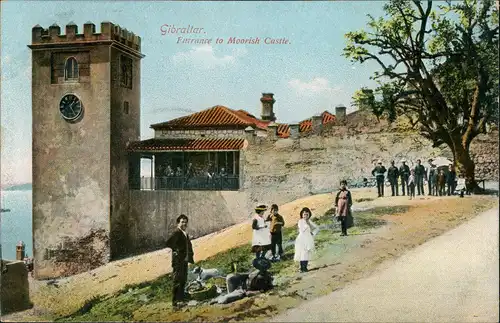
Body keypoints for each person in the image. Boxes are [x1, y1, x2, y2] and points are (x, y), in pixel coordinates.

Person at [165, 214, 194, 309]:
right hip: (178, 261)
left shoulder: (184, 233)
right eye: (182, 222)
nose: (184, 224)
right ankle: (175, 302)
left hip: (184, 261)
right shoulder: (177, 232)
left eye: (185, 222)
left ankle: (181, 300)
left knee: (183, 280)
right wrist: (176, 250)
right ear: (178, 223)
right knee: (177, 280)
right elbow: (168, 242)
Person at [294, 207, 318, 273]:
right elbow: (301, 229)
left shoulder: (309, 221)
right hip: (301, 239)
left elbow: (317, 228)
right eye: (304, 214)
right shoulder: (300, 221)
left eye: (307, 214)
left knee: (307, 253)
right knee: (302, 253)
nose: (305, 216)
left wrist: (313, 233)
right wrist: (307, 224)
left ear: (309, 215)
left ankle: (305, 267)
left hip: (308, 238)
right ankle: (302, 268)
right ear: (302, 214)